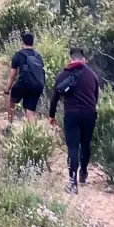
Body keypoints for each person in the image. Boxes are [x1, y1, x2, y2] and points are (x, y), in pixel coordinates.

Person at [49, 47, 100, 194]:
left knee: (72, 147)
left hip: (71, 114)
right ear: (84, 59)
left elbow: (55, 98)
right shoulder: (92, 75)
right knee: (86, 144)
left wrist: (51, 115)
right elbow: (95, 97)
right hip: (89, 114)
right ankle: (83, 171)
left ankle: (73, 183)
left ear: (70, 59)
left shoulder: (63, 74)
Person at [5, 31, 45, 127]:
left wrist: (7, 89)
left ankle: (10, 125)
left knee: (11, 100)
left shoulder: (18, 55)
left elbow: (12, 76)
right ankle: (33, 134)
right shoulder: (38, 56)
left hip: (23, 84)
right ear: (32, 43)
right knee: (30, 112)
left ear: (22, 42)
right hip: (37, 86)